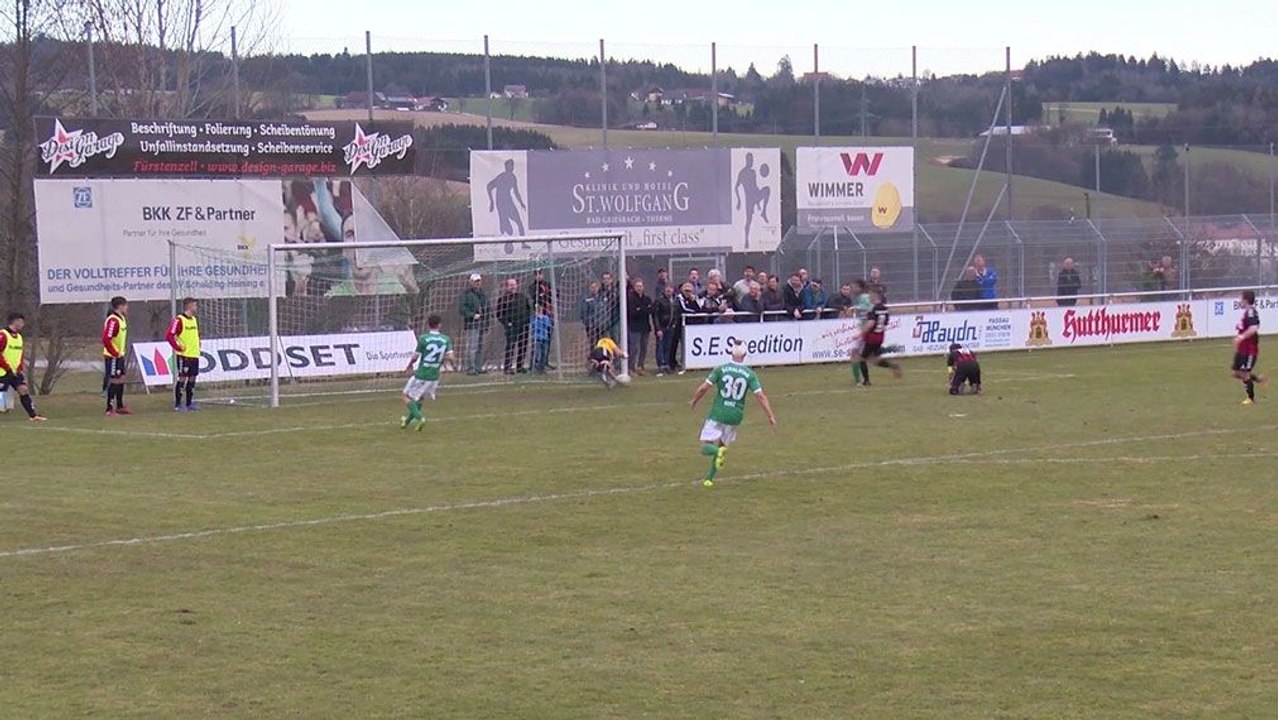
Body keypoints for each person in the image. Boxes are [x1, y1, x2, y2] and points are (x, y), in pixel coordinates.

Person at [689, 343, 777, 487]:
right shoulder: (750, 374)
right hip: (735, 415)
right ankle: (709, 479)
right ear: (744, 355)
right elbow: (761, 396)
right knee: (723, 446)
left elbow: (704, 388)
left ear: (731, 353)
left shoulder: (721, 369)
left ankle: (716, 452)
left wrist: (694, 401)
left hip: (718, 413)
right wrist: (770, 416)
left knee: (706, 447)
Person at [401, 314, 455, 430]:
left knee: (405, 396)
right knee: (419, 398)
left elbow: (415, 356)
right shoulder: (446, 339)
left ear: (428, 325)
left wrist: (409, 365)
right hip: (434, 376)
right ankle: (406, 421)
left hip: (422, 373)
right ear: (439, 325)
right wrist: (445, 362)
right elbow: (451, 357)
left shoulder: (423, 338)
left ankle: (420, 418)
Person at [0, 313, 46, 422]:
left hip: (15, 372)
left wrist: (19, 368)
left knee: (23, 390)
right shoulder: (3, 335)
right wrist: (7, 368)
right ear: (15, 321)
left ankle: (33, 415)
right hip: (3, 371)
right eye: (21, 322)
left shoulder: (19, 337)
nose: (23, 324)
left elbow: (19, 355)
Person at [855, 288, 902, 386]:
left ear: (876, 296)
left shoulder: (873, 309)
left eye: (871, 295)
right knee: (873, 359)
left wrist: (861, 333)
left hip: (871, 337)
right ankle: (892, 366)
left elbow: (871, 323)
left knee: (861, 358)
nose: (869, 297)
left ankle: (866, 381)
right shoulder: (884, 308)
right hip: (880, 336)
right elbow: (885, 322)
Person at [166, 297, 201, 411]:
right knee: (182, 378)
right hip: (184, 355)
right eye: (194, 305)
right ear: (189, 306)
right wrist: (178, 347)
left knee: (192, 378)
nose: (196, 307)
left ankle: (189, 403)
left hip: (194, 354)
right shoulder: (179, 320)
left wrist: (198, 341)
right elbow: (169, 335)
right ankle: (178, 404)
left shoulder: (194, 319)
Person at [1233, 290, 1268, 405]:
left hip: (1249, 350)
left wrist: (1241, 337)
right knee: (1237, 373)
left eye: (1241, 298)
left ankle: (1251, 398)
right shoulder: (1247, 312)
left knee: (1244, 373)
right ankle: (1259, 379)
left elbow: (1253, 328)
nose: (1239, 300)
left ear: (1246, 300)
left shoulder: (1251, 312)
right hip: (1242, 348)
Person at [102, 296, 131, 416]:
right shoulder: (113, 320)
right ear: (120, 306)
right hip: (112, 355)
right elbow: (106, 339)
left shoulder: (122, 319)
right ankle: (109, 408)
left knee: (121, 379)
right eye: (125, 305)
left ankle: (120, 405)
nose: (127, 308)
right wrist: (114, 352)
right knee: (114, 379)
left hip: (120, 355)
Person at [496, 277, 531, 374]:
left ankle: (519, 366)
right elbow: (499, 314)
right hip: (511, 326)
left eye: (514, 285)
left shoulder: (522, 297)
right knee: (510, 346)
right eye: (510, 285)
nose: (513, 287)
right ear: (507, 287)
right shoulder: (503, 299)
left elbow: (528, 309)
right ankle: (507, 367)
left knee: (523, 346)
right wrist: (507, 323)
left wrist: (527, 320)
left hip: (523, 325)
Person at [458, 273, 490, 375]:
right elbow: (462, 309)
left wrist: (487, 320)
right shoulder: (466, 295)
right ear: (470, 282)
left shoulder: (483, 294)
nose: (478, 283)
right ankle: (470, 367)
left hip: (482, 323)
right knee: (472, 347)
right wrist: (472, 315)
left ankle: (478, 366)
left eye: (479, 281)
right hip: (471, 324)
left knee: (480, 347)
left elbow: (487, 307)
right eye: (475, 281)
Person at [627, 278, 655, 375]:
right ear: (634, 287)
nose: (639, 288)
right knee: (634, 348)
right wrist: (644, 309)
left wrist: (641, 309)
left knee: (644, 347)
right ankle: (631, 367)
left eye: (640, 286)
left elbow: (651, 310)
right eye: (637, 286)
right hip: (634, 327)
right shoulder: (631, 298)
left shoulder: (647, 298)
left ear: (643, 287)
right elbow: (633, 312)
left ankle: (640, 366)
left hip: (645, 327)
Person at [653, 283, 681, 375]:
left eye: (670, 289)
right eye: (667, 289)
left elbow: (677, 313)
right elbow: (656, 316)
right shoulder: (659, 300)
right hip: (662, 326)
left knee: (668, 346)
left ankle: (667, 364)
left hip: (670, 327)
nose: (669, 291)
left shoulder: (675, 300)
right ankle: (661, 365)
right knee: (660, 346)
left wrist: (674, 324)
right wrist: (658, 329)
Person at [530, 305, 554, 374]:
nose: (539, 311)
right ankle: (535, 367)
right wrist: (537, 318)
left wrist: (542, 319)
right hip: (536, 338)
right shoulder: (534, 318)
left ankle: (542, 368)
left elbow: (548, 325)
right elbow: (534, 326)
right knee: (537, 353)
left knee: (544, 353)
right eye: (537, 310)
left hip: (544, 337)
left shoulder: (545, 317)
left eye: (539, 310)